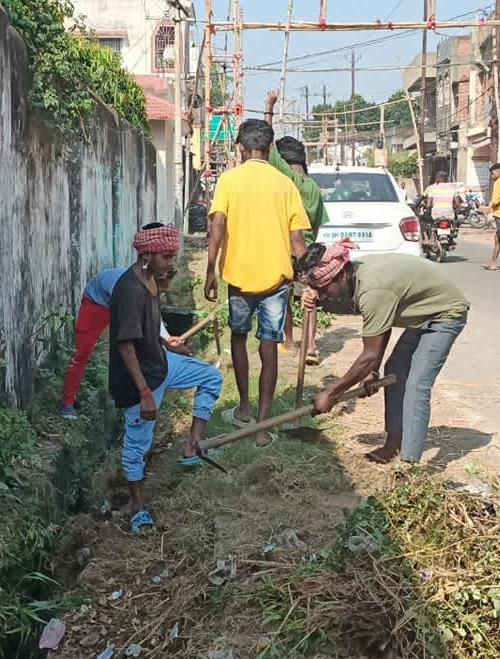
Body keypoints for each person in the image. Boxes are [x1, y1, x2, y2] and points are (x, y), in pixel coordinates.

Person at [297, 240, 470, 465]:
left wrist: (331, 393)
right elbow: (381, 325)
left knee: (417, 384)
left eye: (324, 289)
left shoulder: (373, 289)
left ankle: (409, 464)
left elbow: (368, 354)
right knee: (395, 370)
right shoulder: (357, 278)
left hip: (445, 313)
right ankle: (393, 444)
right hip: (423, 312)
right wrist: (374, 370)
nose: (323, 296)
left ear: (340, 276)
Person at [205, 118, 311, 446]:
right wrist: (308, 279)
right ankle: (262, 428)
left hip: (238, 275)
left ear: (240, 147)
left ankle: (244, 409)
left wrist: (211, 268)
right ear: (270, 148)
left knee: (239, 339)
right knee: (269, 345)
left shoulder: (229, 181)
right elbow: (297, 241)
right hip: (276, 280)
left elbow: (218, 225)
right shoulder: (285, 184)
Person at [112, 224, 222, 533]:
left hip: (161, 364)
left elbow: (150, 328)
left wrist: (167, 343)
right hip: (140, 380)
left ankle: (193, 446)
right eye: (166, 257)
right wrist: (145, 392)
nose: (171, 264)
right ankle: (137, 507)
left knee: (210, 377)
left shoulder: (151, 280)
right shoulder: (129, 290)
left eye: (173, 257)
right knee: (137, 445)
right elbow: (125, 346)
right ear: (146, 254)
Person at [59, 226, 181, 420]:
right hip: (96, 303)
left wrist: (166, 338)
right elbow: (146, 322)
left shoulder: (149, 278)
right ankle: (67, 402)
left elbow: (152, 318)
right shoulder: (129, 287)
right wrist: (165, 338)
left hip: (115, 301)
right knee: (82, 353)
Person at [263, 90, 330, 364]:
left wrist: (269, 107)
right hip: (308, 251)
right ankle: (311, 345)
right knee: (310, 298)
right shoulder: (314, 188)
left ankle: (289, 341)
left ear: (285, 160)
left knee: (283, 295)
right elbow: (318, 227)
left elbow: (266, 143)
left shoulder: (286, 177)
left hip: (284, 248)